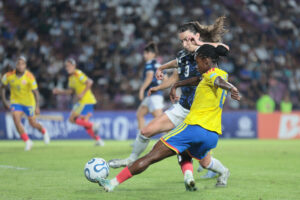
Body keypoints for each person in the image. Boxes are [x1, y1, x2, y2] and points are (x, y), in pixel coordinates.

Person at [97, 44, 240, 192]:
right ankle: (215, 173)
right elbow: (200, 80)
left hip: (194, 128)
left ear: (206, 60)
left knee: (150, 156)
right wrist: (177, 84)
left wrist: (232, 88)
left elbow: (217, 81)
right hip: (212, 134)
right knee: (193, 157)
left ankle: (112, 183)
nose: (196, 66)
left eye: (197, 62)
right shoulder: (221, 73)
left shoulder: (214, 76)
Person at [0, 56, 50, 151]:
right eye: (18, 63)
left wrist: (37, 106)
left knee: (32, 123)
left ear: (25, 65)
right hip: (16, 102)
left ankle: (44, 131)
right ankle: (27, 141)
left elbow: (36, 92)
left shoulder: (29, 76)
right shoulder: (8, 75)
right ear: (16, 65)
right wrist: (4, 101)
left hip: (29, 103)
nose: (20, 66)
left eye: (22, 64)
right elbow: (2, 87)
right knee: (15, 118)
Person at [52, 58, 103, 146]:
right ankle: (98, 140)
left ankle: (94, 124)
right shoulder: (71, 78)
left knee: (72, 119)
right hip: (83, 101)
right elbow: (71, 91)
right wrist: (60, 92)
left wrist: (82, 94)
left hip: (86, 100)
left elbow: (90, 82)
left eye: (69, 66)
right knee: (84, 123)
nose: (67, 68)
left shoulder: (77, 73)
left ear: (74, 66)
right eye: (66, 66)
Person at [136, 42, 164, 138]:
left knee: (161, 120)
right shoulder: (158, 64)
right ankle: (140, 138)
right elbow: (166, 77)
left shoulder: (149, 64)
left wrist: (141, 89)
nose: (144, 56)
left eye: (146, 53)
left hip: (153, 94)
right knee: (140, 114)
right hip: (152, 95)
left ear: (152, 54)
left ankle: (171, 138)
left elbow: (149, 77)